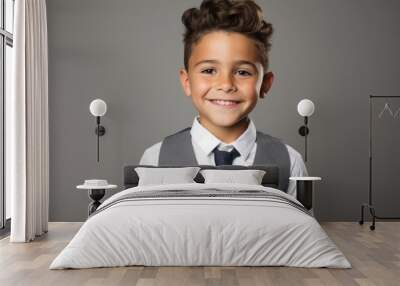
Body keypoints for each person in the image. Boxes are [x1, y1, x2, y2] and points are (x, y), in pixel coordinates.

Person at [139, 0, 307, 197]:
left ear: (265, 84)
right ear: (187, 81)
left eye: (243, 72)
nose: (226, 84)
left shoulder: (290, 161)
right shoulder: (155, 159)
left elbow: (301, 228)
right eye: (209, 70)